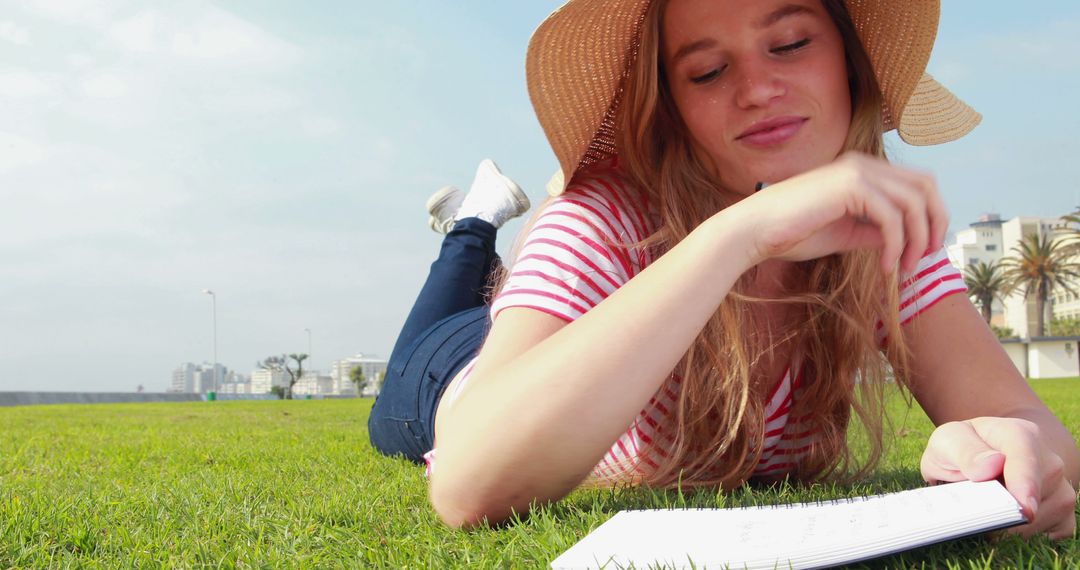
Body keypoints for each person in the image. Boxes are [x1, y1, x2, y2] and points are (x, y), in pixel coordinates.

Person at [375, 0, 1080, 539]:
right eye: (708, 71)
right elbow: (469, 485)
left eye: (792, 43)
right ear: (673, 106)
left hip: (542, 333)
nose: (756, 88)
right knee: (435, 322)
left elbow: (1032, 429)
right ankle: (474, 223)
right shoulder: (602, 220)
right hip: (451, 378)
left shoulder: (875, 227)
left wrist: (1010, 448)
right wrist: (741, 233)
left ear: (849, 60)